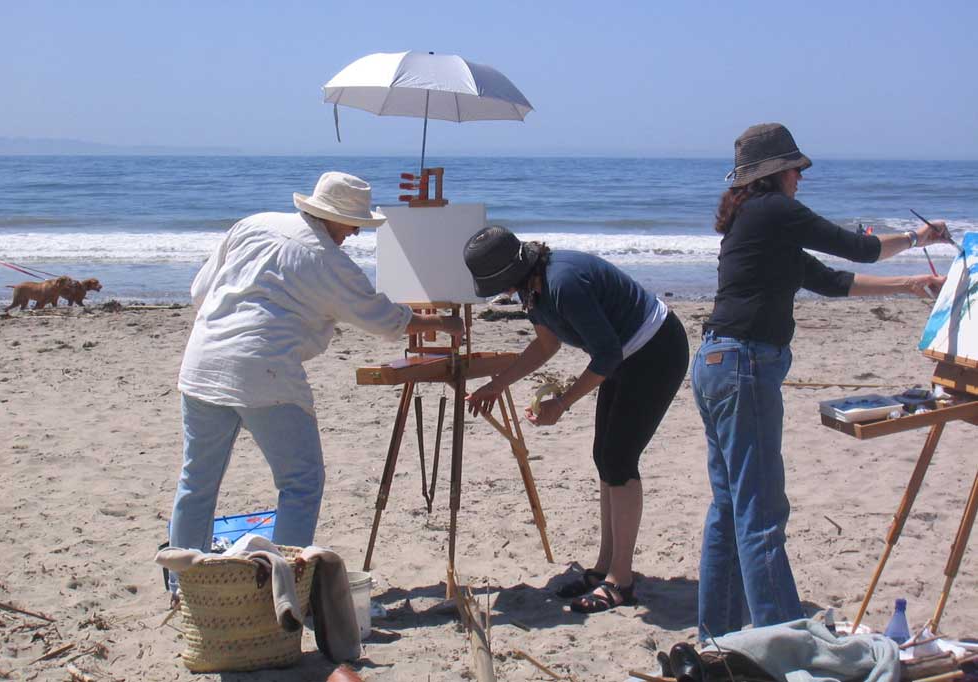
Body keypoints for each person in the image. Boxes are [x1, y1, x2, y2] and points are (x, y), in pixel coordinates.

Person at [693, 123, 948, 637]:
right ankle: (787, 644)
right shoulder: (775, 211)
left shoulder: (754, 220)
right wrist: (919, 236)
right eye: (796, 171)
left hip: (717, 364)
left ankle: (716, 639)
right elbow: (857, 249)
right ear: (778, 173)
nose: (800, 180)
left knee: (730, 507)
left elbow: (831, 281)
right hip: (743, 366)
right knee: (761, 513)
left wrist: (911, 284)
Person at [167, 172, 462, 592]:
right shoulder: (327, 258)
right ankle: (284, 590)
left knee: (197, 481)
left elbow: (201, 291)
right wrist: (441, 321)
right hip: (264, 371)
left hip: (202, 361)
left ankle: (184, 588)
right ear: (333, 218)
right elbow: (380, 319)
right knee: (301, 482)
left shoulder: (253, 224)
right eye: (354, 224)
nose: (356, 233)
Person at [463, 225, 689, 613]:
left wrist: (562, 404)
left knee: (619, 460)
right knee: (605, 458)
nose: (500, 293)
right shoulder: (530, 290)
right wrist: (496, 385)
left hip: (656, 351)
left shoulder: (563, 284)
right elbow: (546, 344)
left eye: (498, 285)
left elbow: (606, 356)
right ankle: (604, 568)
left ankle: (622, 580)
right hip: (625, 354)